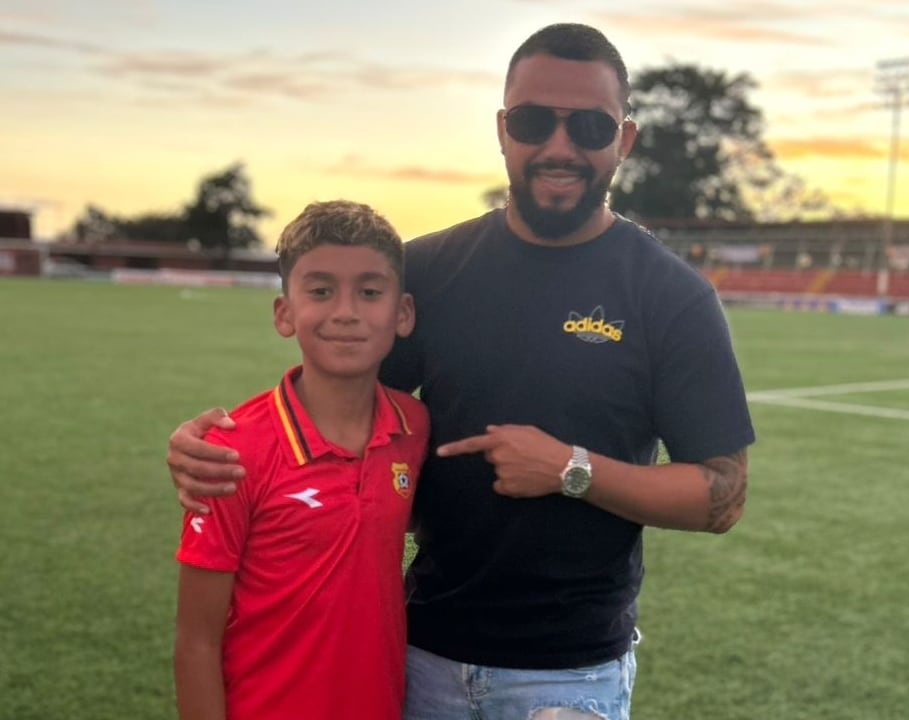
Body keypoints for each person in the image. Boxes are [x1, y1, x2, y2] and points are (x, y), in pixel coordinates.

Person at [167, 22, 754, 720]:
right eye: (536, 122)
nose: (560, 148)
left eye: (589, 127)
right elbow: (344, 414)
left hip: (567, 675)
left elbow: (722, 495)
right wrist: (212, 445)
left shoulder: (670, 295)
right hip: (419, 657)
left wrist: (573, 469)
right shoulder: (428, 272)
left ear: (623, 140)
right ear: (504, 129)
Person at [173, 200, 428, 720]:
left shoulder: (414, 426)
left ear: (402, 314)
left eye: (370, 292)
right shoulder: (230, 452)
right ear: (284, 313)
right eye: (320, 291)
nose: (346, 311)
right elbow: (195, 642)